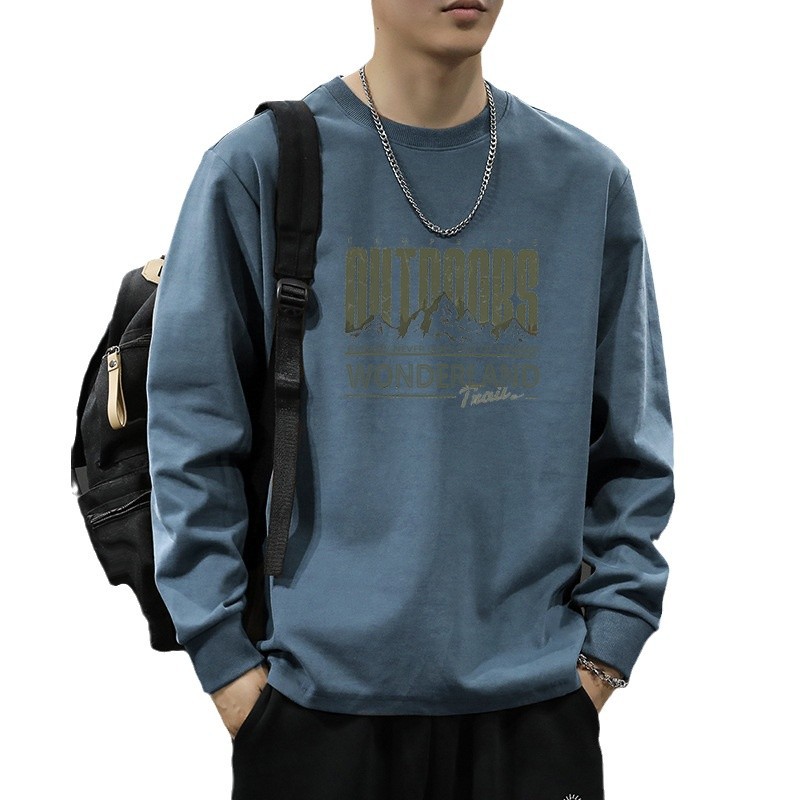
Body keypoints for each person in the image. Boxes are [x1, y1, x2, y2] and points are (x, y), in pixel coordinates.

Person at [146, 1, 675, 798]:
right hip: (314, 714)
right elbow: (191, 433)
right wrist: (227, 668)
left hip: (533, 713)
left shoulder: (585, 181)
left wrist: (604, 657)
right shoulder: (260, 168)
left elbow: (634, 448)